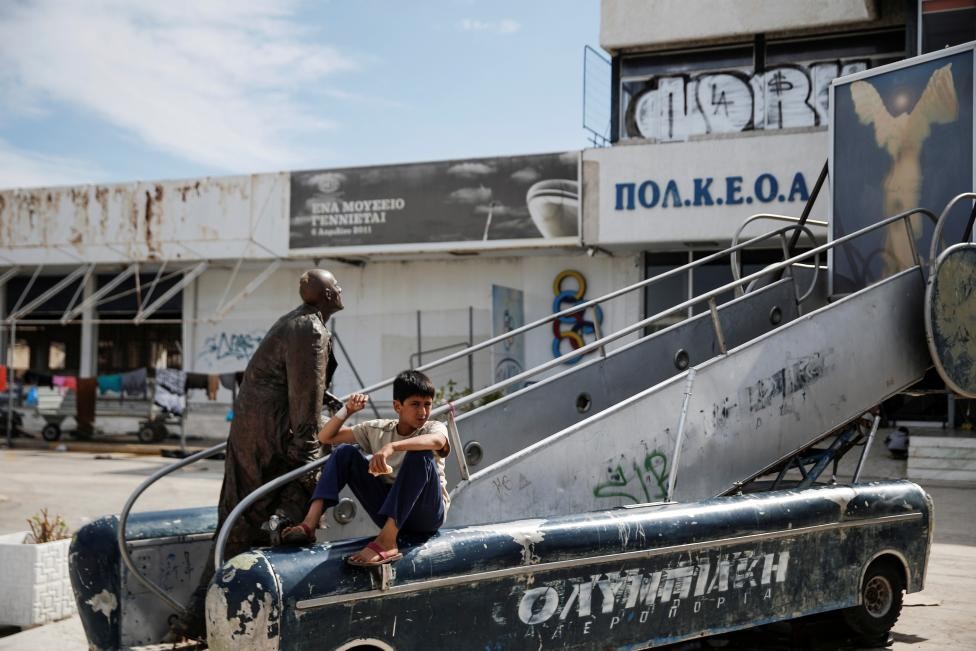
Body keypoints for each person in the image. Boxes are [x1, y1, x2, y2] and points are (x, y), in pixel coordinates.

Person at [171, 269, 343, 640]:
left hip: (254, 429)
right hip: (270, 432)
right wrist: (309, 454)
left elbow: (301, 387)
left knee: (240, 518)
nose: (340, 290)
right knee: (274, 503)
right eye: (334, 286)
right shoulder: (309, 329)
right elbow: (304, 399)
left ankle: (197, 618)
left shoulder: (298, 323)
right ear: (322, 295)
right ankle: (281, 533)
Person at [281, 370, 450, 566]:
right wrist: (347, 411)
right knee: (344, 452)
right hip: (388, 512)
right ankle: (309, 524)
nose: (423, 412)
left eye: (427, 404)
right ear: (397, 406)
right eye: (415, 404)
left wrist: (392, 447)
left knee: (419, 454)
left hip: (426, 515)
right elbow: (325, 438)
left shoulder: (432, 428)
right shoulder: (378, 430)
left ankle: (387, 541)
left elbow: (438, 441)